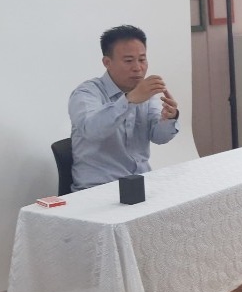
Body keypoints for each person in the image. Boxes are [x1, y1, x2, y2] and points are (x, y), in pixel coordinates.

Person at [68, 25, 179, 191]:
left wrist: (169, 118)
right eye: (128, 61)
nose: (138, 68)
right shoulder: (86, 93)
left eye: (142, 59)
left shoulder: (144, 93)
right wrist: (129, 100)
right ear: (107, 62)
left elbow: (159, 137)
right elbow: (91, 131)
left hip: (141, 184)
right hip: (98, 189)